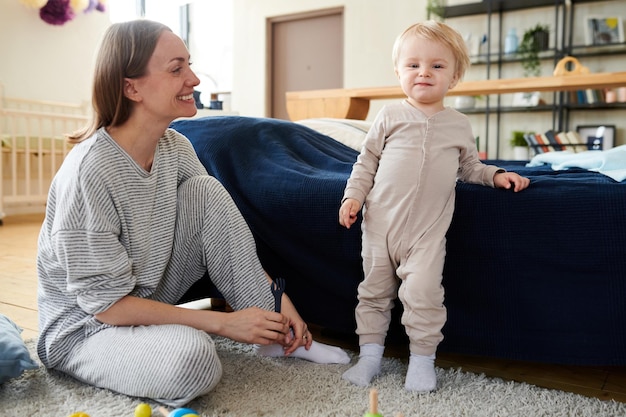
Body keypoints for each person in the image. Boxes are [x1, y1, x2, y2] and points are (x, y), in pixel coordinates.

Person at [36, 19, 348, 408]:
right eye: (176, 69)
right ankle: (183, 345)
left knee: (207, 191)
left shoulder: (175, 148)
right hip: (87, 329)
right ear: (131, 87)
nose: (194, 79)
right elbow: (107, 307)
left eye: (189, 65)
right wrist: (224, 324)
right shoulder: (90, 173)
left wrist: (283, 313)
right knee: (194, 359)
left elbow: (224, 234)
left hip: (144, 295)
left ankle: (279, 339)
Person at [338, 20, 530, 392]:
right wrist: (353, 197)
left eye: (436, 66)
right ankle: (370, 356)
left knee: (424, 294)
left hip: (427, 231)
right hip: (380, 225)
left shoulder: (458, 125)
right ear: (398, 72)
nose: (423, 72)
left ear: (454, 76)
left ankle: (422, 361)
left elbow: (470, 167)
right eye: (413, 65)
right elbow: (366, 162)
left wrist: (496, 176)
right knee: (373, 293)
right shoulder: (389, 116)